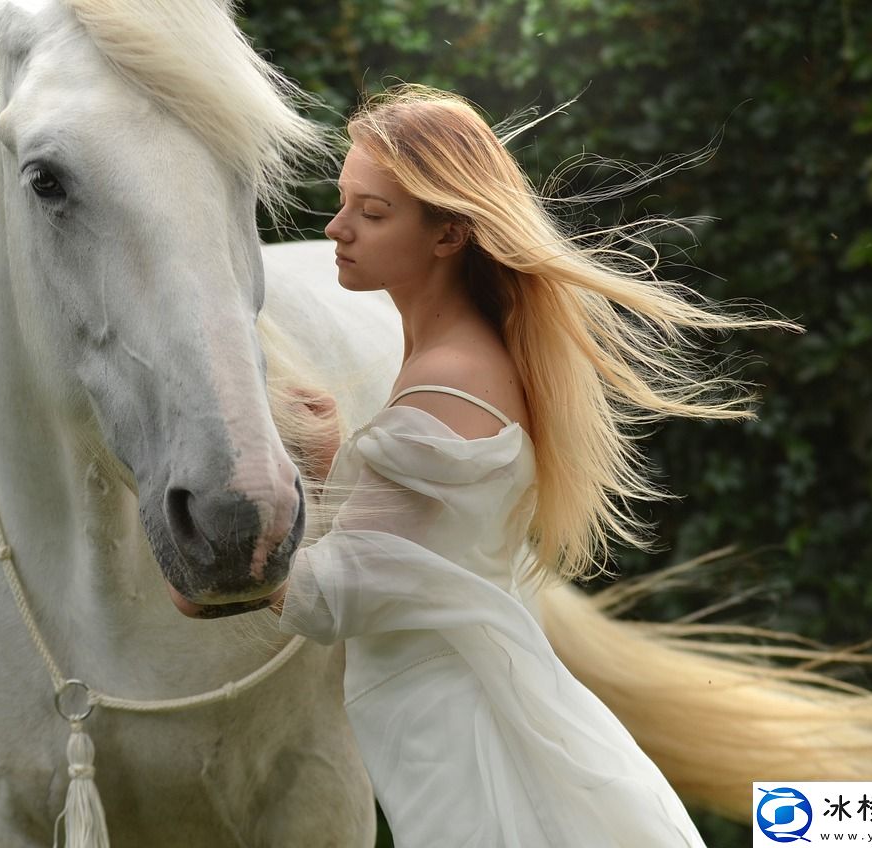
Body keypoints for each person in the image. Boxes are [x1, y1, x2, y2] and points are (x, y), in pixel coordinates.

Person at [265, 83, 807, 847]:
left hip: (462, 742)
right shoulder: (457, 357)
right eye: (344, 200)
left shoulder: (445, 380)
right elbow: (416, 555)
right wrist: (327, 467)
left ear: (448, 235)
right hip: (454, 717)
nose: (336, 228)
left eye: (372, 212)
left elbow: (328, 602)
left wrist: (221, 560)